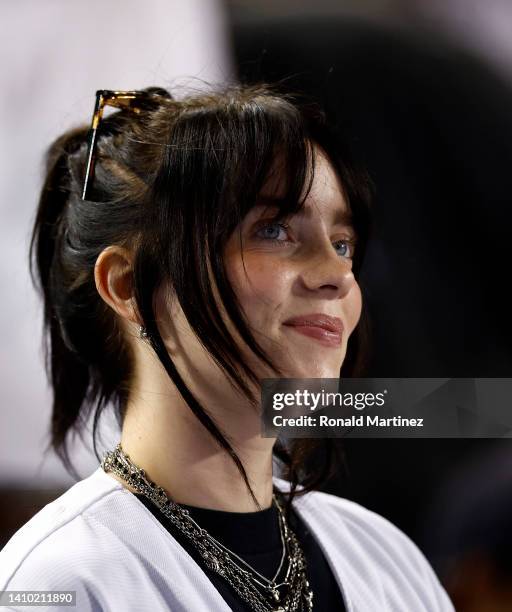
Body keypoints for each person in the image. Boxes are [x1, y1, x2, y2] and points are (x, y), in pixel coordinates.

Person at [0, 83, 454, 611]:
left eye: (342, 243)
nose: (337, 277)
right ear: (128, 286)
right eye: (274, 230)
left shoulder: (384, 559)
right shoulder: (59, 584)